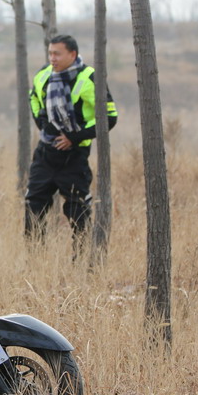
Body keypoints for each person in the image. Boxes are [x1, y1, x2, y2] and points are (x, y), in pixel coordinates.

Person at [25, 34, 118, 255]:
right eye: (50, 53)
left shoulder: (89, 77)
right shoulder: (43, 74)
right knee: (33, 207)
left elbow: (110, 117)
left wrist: (73, 137)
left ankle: (81, 261)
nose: (52, 58)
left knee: (79, 212)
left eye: (57, 54)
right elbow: (33, 98)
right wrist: (42, 124)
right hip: (45, 154)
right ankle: (35, 260)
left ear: (72, 54)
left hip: (75, 157)